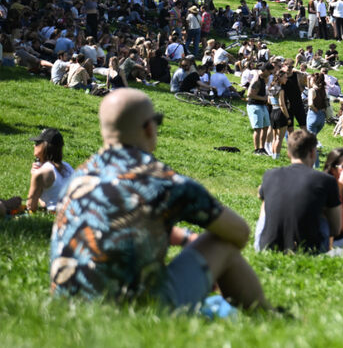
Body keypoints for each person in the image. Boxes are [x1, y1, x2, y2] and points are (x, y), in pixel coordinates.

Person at [50, 89, 271, 311]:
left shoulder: (76, 177)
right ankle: (267, 318)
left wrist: (184, 238)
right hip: (136, 308)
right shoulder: (162, 182)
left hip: (68, 306)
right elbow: (239, 232)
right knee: (223, 244)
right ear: (148, 127)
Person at [256, 130, 341, 254]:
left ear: (288, 153)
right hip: (310, 249)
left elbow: (260, 194)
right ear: (313, 153)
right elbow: (335, 228)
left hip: (267, 247)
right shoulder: (326, 180)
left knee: (266, 203)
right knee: (322, 215)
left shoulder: (270, 175)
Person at [26, 128, 74, 213]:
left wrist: (34, 176)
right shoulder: (68, 167)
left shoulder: (41, 173)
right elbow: (47, 202)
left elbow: (31, 206)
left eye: (37, 143)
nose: (34, 146)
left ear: (44, 146)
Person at [246, 62, 273, 155]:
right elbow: (249, 94)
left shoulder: (262, 78)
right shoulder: (257, 80)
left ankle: (262, 148)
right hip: (254, 105)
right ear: (265, 70)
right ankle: (256, 150)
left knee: (266, 127)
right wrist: (264, 98)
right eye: (270, 72)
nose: (270, 74)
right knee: (258, 128)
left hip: (262, 105)